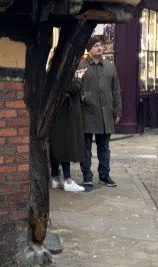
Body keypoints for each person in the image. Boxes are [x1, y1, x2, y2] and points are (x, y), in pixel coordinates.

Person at [80, 36, 122, 187]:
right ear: (89, 49)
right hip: (86, 112)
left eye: (101, 45)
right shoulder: (81, 66)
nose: (100, 48)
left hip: (105, 113)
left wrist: (117, 111)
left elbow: (116, 90)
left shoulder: (110, 67)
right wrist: (84, 97)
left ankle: (105, 175)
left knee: (104, 147)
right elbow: (75, 88)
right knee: (85, 147)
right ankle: (87, 175)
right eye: (96, 45)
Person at [50, 57, 87, 193]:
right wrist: (79, 77)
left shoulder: (52, 73)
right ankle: (67, 180)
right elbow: (72, 88)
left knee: (57, 148)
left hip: (56, 116)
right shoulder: (62, 74)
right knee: (65, 147)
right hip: (63, 117)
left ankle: (55, 178)